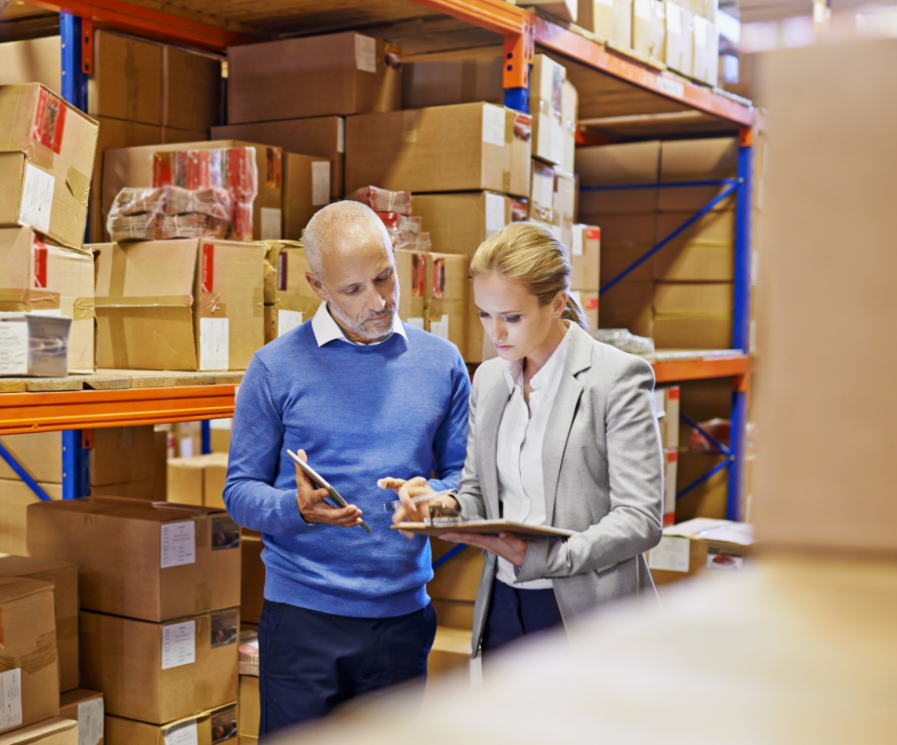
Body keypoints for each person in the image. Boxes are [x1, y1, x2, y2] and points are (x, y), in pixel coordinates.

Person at [224, 201, 471, 738]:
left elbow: (463, 480)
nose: (378, 301)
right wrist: (297, 509)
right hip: (302, 622)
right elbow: (239, 492)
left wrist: (436, 501)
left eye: (385, 277)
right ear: (317, 286)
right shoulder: (274, 367)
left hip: (403, 619)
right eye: (353, 290)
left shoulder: (442, 363)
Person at [393, 222, 663, 658]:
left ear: (557, 303)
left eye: (511, 317)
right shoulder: (489, 379)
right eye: (484, 313)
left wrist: (548, 560)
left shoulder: (615, 379)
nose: (494, 333)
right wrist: (440, 507)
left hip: (586, 614)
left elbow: (640, 519)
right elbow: (478, 493)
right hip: (503, 603)